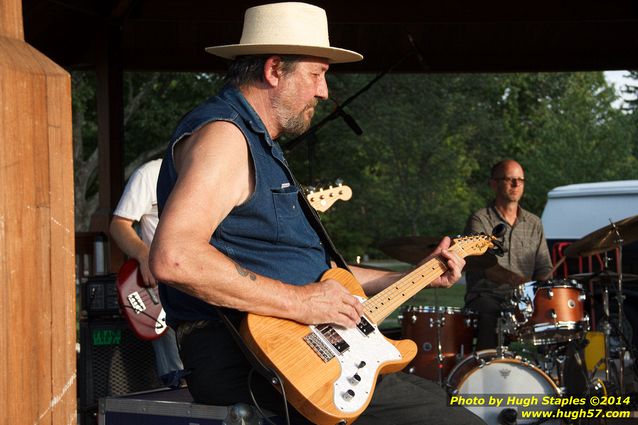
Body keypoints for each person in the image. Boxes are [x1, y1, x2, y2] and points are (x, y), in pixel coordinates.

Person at [150, 3, 482, 424]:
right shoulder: (225, 137)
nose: (324, 91)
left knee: (436, 398)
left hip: (299, 353)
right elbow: (174, 257)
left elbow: (324, 276)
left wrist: (414, 275)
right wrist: (299, 302)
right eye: (316, 74)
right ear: (274, 71)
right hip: (248, 359)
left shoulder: (258, 144)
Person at [110, 158, 185, 387]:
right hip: (161, 290)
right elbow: (119, 224)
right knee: (178, 379)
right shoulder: (150, 174)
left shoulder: (211, 172)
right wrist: (144, 256)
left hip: (201, 286)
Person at [464, 159, 553, 351]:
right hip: (487, 295)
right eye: (510, 179)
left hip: (525, 299)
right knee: (493, 315)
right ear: (494, 184)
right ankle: (486, 371)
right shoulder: (480, 220)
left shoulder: (534, 223)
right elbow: (484, 265)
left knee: (556, 315)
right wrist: (519, 282)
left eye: (520, 180)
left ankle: (548, 373)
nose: (516, 184)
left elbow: (544, 266)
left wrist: (540, 289)